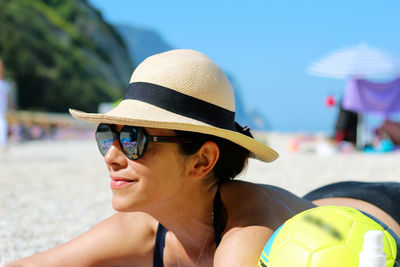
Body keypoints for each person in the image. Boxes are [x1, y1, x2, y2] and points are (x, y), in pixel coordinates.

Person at [7, 49, 399, 267]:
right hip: (321, 202)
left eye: (133, 138)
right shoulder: (149, 224)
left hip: (382, 213)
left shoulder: (245, 238)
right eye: (109, 135)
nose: (111, 155)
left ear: (201, 160)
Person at [0, 59, 11, 151]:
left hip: (2, 110)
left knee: (3, 124)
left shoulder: (5, 83)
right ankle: (3, 144)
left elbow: (7, 98)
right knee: (3, 124)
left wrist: (12, 106)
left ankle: (3, 144)